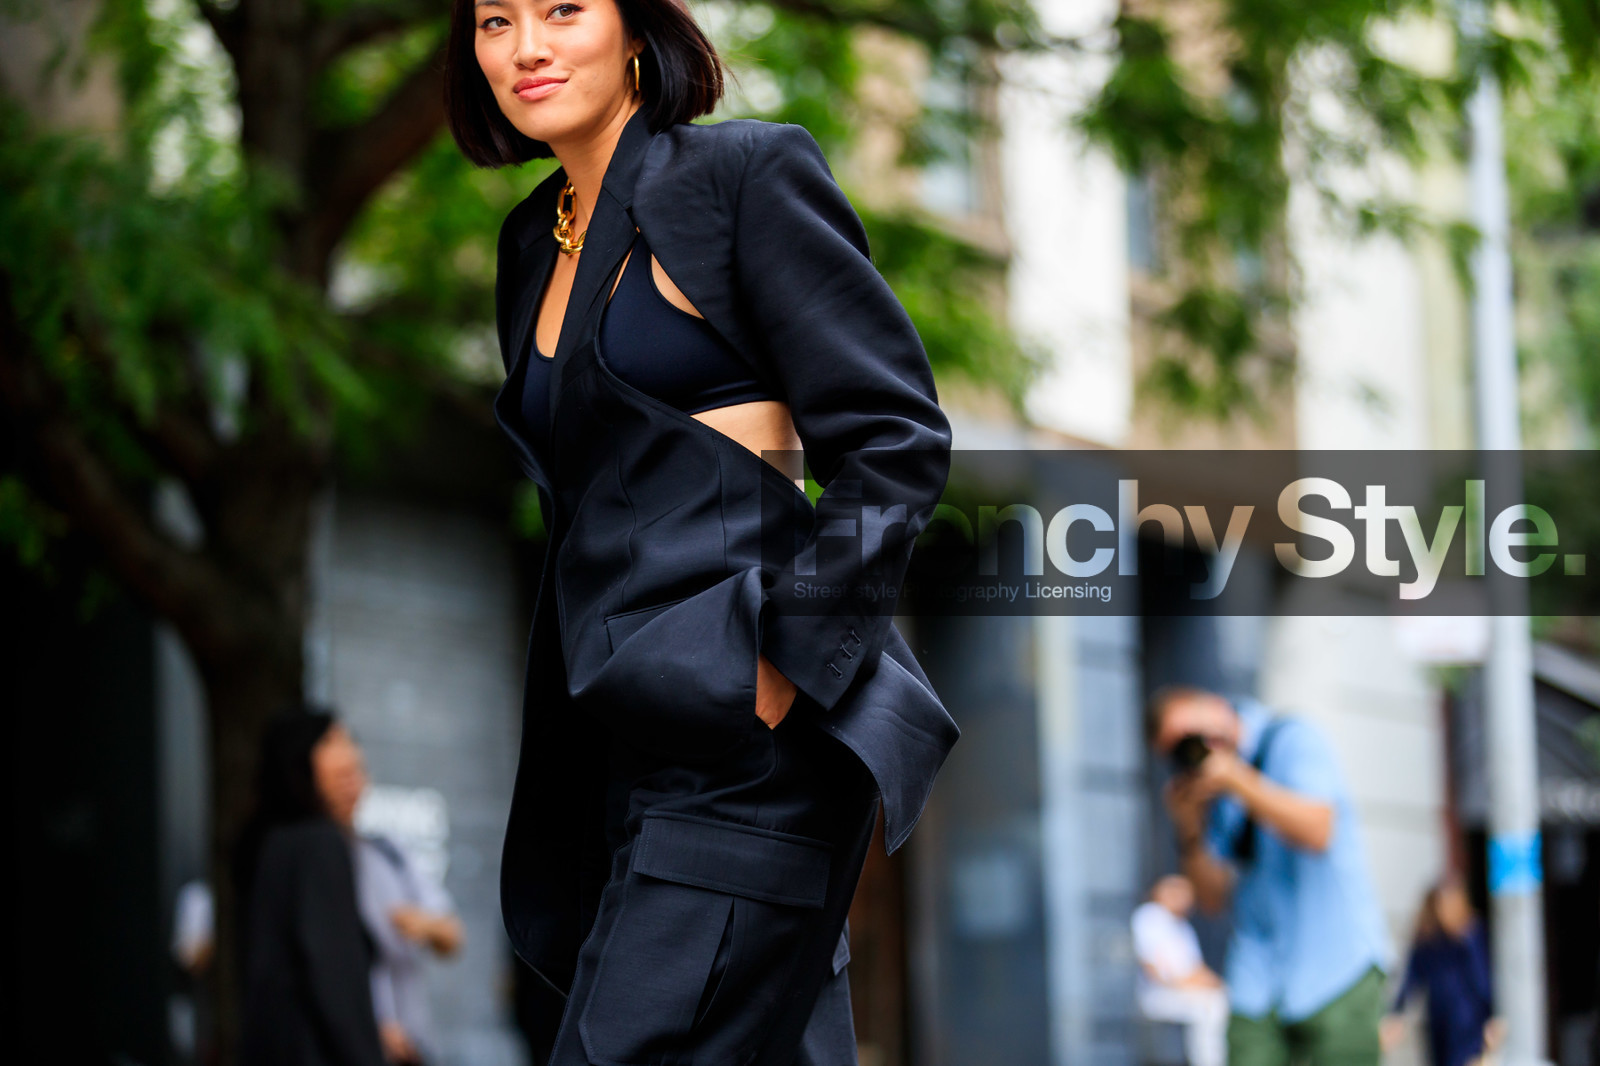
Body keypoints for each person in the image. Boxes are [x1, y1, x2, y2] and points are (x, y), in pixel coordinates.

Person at [443, 1, 958, 1063]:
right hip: (624, 737)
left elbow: (895, 438)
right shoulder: (526, 247)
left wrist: (782, 666)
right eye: (495, 20)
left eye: (562, 10)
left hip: (745, 736)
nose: (527, 47)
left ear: (635, 28)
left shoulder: (740, 180)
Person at [1147, 685, 1391, 1066]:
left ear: (1216, 708)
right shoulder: (1213, 795)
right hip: (1257, 979)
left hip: (1336, 968)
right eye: (1177, 750)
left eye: (1190, 737)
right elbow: (1211, 899)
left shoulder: (1292, 739)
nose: (1190, 752)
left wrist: (1236, 779)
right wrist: (1189, 830)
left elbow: (1318, 830)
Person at [234, 708, 385, 1066]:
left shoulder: (270, 844)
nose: (352, 755)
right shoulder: (319, 844)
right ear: (299, 758)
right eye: (334, 739)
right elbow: (335, 978)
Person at [354, 829, 465, 1065]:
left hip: (411, 1043)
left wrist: (424, 924)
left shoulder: (386, 851)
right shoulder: (310, 856)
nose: (350, 789)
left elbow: (452, 935)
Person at [1381, 879, 1497, 1066]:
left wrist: (1492, 1016)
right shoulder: (1428, 940)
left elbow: (1483, 979)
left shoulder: (1472, 934)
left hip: (1469, 1023)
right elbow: (1412, 978)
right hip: (1439, 1021)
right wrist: (1396, 1013)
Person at [1132, 875, 1229, 1066]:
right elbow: (1154, 969)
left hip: (1185, 990)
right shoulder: (1150, 916)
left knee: (1224, 997)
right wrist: (1185, 983)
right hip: (1159, 994)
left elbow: (1195, 967)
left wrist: (1215, 983)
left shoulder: (1183, 926)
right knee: (1211, 1006)